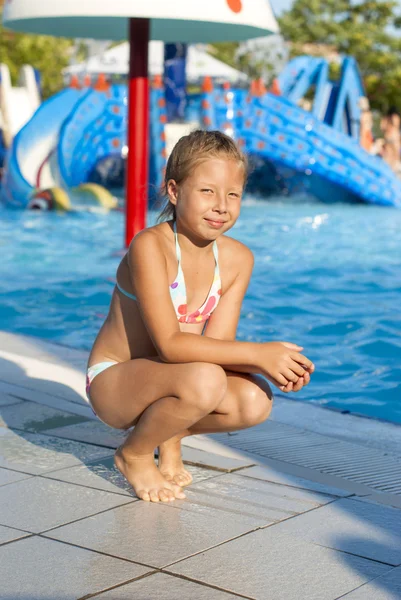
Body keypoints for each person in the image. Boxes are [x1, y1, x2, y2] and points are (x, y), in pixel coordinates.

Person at [86, 130, 315, 503]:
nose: (221, 205)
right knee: (205, 380)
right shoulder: (150, 246)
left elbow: (218, 346)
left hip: (176, 377)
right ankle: (134, 453)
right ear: (174, 192)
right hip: (116, 383)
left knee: (255, 400)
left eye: (233, 194)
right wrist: (259, 353)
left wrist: (276, 365)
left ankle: (169, 432)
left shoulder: (238, 260)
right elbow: (171, 345)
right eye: (208, 191)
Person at [380, 106, 401, 171]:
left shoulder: (386, 119)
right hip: (393, 141)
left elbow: (382, 128)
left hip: (390, 140)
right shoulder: (395, 118)